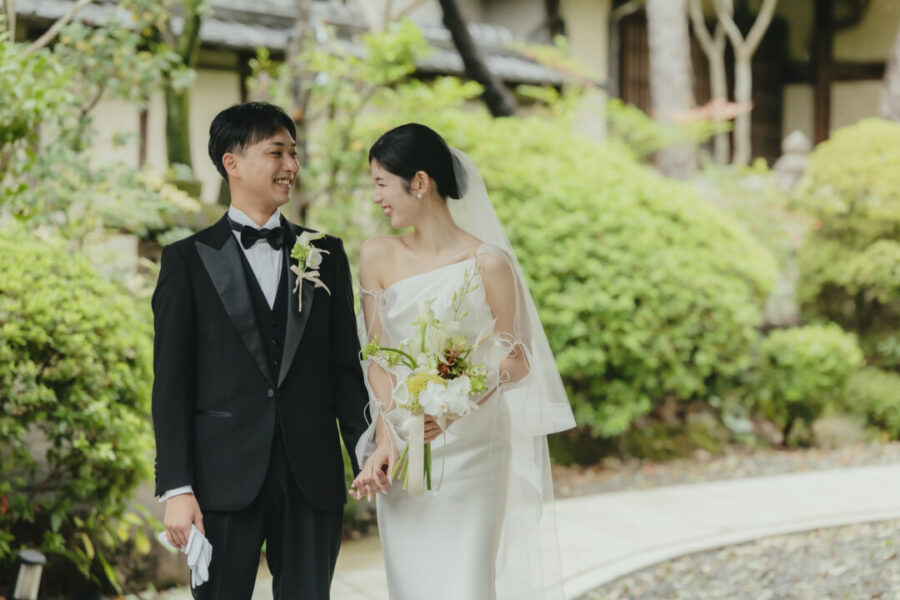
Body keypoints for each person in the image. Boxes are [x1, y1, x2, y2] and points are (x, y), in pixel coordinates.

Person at [151, 102, 369, 598]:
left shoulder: (325, 255)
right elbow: (171, 385)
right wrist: (178, 488)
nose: (291, 165)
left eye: (294, 152)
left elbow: (345, 370)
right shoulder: (186, 261)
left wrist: (367, 453)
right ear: (232, 162)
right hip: (220, 484)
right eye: (277, 152)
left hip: (311, 479)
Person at [351, 123, 576, 599]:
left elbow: (518, 359)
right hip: (405, 444)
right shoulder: (376, 256)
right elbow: (376, 357)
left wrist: (456, 402)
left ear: (419, 182)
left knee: (466, 584)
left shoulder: (488, 263)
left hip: (475, 447)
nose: (376, 198)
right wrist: (388, 436)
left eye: (381, 183)